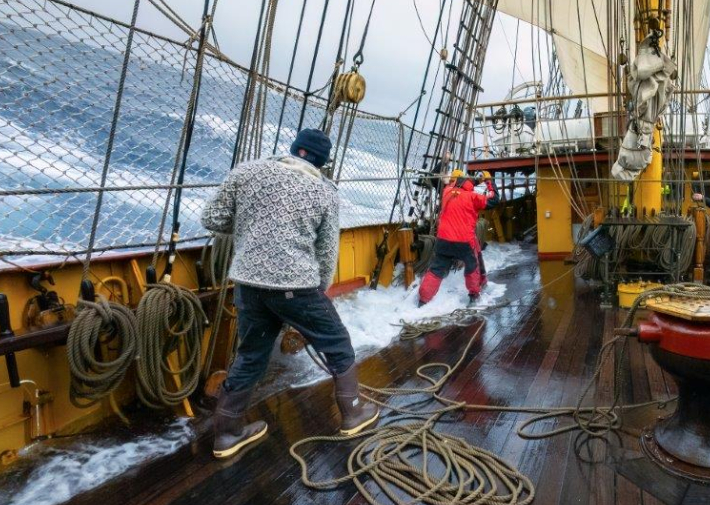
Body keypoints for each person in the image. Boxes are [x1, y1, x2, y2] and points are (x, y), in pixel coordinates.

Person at [200, 129, 379, 459]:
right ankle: (353, 415)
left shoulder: (247, 171)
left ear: (294, 149)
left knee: (252, 354)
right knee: (337, 343)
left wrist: (250, 229)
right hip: (296, 286)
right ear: (323, 163)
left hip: (248, 284)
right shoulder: (324, 190)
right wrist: (319, 293)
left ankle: (226, 435)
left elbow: (211, 218)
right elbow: (326, 252)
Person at [418, 170, 497, 306]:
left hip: (444, 241)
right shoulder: (473, 197)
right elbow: (493, 199)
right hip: (464, 243)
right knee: (472, 266)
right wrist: (489, 181)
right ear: (468, 183)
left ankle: (423, 300)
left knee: (436, 269)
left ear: (454, 181)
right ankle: (473, 295)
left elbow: (439, 179)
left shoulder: (447, 192)